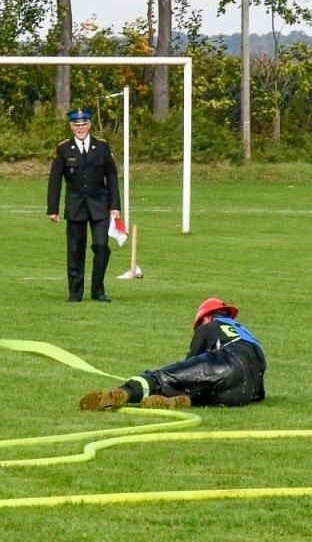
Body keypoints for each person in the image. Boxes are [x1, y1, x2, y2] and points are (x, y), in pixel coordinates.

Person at [80, 297, 267, 411]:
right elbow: (259, 392)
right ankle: (184, 400)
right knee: (203, 389)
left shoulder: (209, 327)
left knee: (161, 378)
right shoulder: (248, 336)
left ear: (207, 317)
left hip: (225, 363)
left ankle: (123, 393)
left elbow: (193, 361)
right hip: (244, 392)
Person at [47, 107, 121, 302]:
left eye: (83, 124)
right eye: (76, 125)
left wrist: (115, 206)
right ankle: (75, 292)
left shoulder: (102, 146)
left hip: (99, 205)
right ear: (71, 127)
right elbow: (55, 179)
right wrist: (52, 209)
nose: (80, 128)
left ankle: (98, 290)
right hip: (76, 205)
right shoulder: (63, 148)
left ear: (89, 125)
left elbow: (112, 177)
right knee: (75, 249)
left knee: (101, 245)